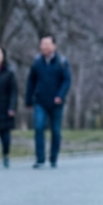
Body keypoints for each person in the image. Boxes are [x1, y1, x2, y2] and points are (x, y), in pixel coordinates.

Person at [25, 35, 71, 169]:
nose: (45, 47)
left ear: (54, 46)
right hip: (40, 101)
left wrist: (60, 96)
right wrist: (29, 99)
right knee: (39, 127)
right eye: (42, 44)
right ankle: (40, 158)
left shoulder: (62, 62)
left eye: (47, 44)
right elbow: (31, 81)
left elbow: (67, 80)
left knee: (55, 130)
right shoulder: (37, 62)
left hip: (57, 102)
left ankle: (53, 158)